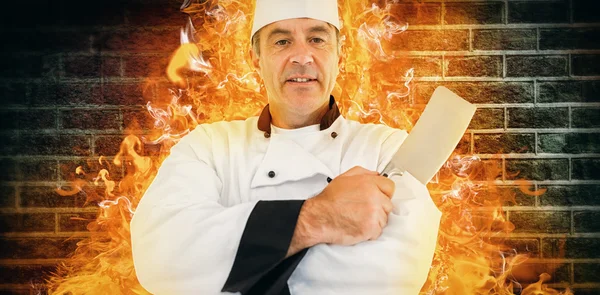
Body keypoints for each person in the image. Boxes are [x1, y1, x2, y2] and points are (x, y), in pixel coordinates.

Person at [130, 0, 441, 294]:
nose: (302, 57)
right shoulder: (209, 146)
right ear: (255, 57)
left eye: (317, 39)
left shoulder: (387, 148)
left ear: (340, 55)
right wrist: (321, 216)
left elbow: (394, 273)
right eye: (282, 42)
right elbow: (159, 254)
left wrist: (231, 269)